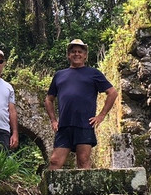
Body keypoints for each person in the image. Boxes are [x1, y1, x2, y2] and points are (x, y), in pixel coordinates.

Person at [44, 39, 119, 170]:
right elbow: (48, 99)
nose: (76, 54)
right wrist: (53, 120)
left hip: (84, 124)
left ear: (85, 55)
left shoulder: (93, 73)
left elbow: (112, 93)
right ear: (68, 55)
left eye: (80, 51)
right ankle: (47, 190)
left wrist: (101, 116)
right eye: (73, 51)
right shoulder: (59, 75)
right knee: (55, 161)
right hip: (64, 126)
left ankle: (86, 191)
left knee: (83, 161)